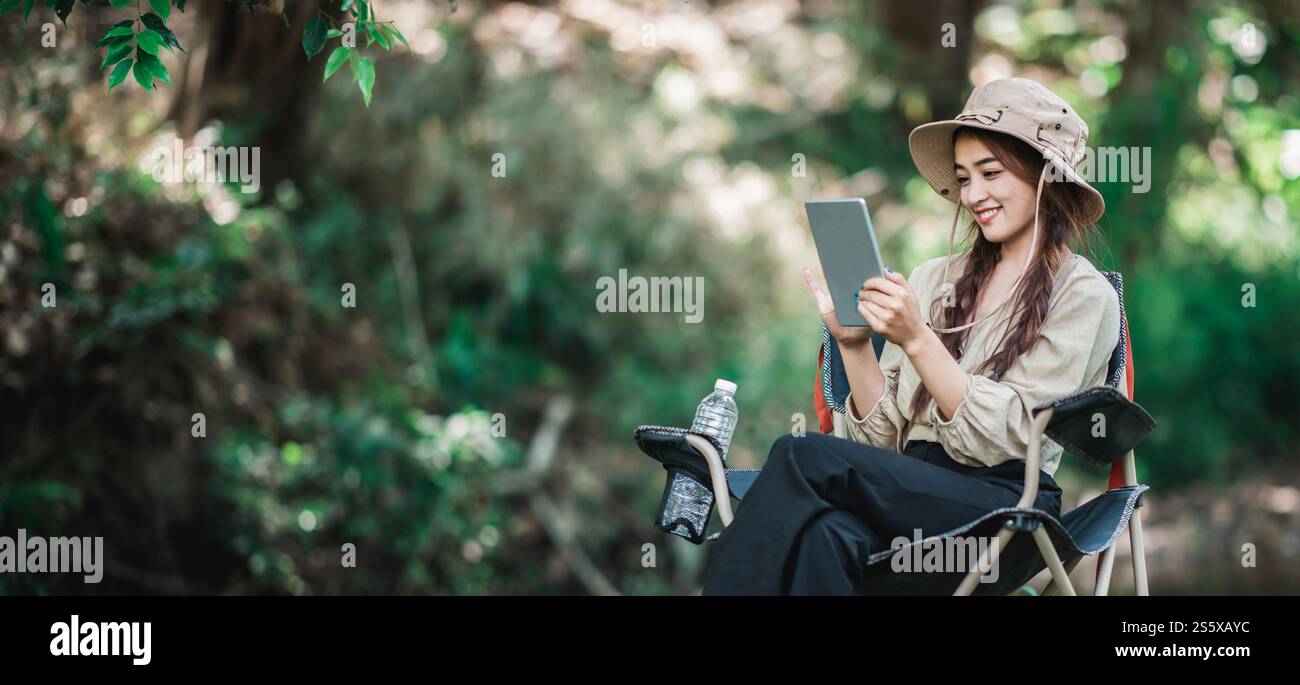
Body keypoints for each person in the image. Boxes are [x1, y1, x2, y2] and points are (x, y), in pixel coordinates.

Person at [701, 77, 1123, 595]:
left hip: (1007, 506)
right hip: (913, 492)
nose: (974, 195)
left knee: (801, 454)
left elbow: (1014, 436)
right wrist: (856, 345)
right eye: (964, 178)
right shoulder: (932, 279)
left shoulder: (1083, 294)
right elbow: (882, 444)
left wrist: (919, 338)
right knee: (825, 534)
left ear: (1045, 176)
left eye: (990, 173)